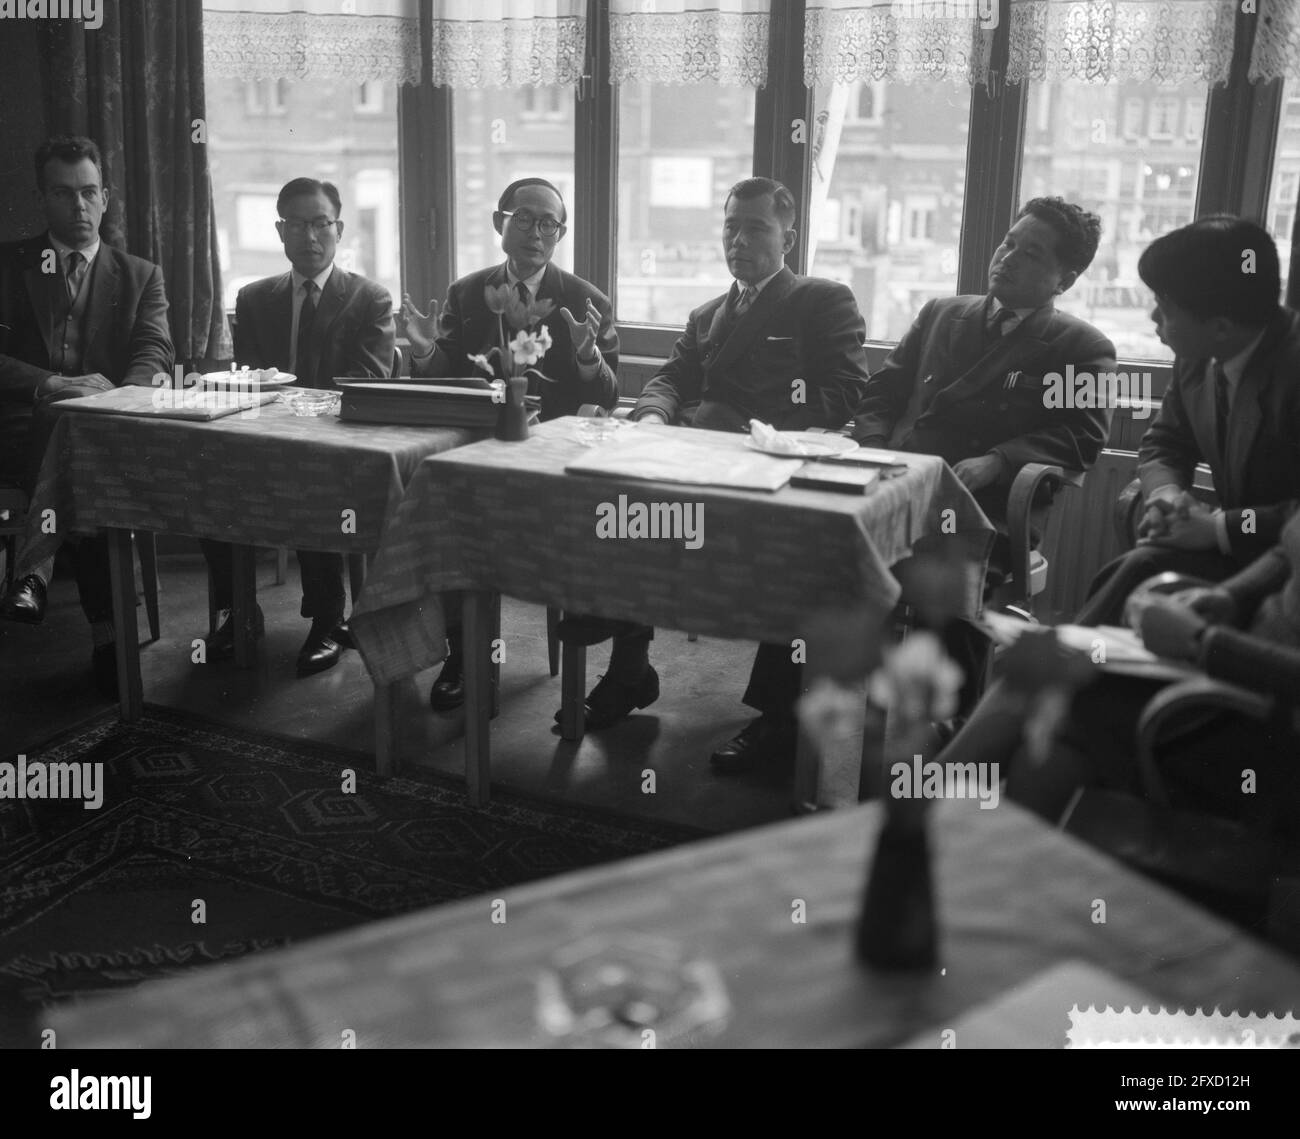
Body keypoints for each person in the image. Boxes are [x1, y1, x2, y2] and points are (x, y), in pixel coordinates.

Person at [569, 176, 871, 775]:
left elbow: (844, 392)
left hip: (773, 468)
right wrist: (652, 416)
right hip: (699, 468)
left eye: (756, 228)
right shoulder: (707, 314)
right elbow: (670, 379)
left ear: (788, 238)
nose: (739, 240)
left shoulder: (821, 301)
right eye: (731, 227)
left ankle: (781, 718)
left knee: (796, 553)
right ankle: (629, 667)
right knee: (626, 512)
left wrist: (748, 428)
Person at [852, 197, 1116, 714]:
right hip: (896, 487)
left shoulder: (1081, 346)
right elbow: (880, 393)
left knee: (944, 588)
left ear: (1065, 279)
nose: (1008, 259)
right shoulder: (941, 313)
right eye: (1008, 243)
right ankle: (779, 725)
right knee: (817, 555)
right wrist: (876, 448)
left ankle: (944, 735)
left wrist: (1001, 459)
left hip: (985, 508)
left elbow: (1083, 437)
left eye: (1031, 254)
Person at [939, 512, 1300, 842]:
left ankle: (922, 809)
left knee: (1039, 686)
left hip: (1267, 720)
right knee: (1048, 762)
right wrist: (1229, 596)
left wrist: (1203, 643)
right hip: (1234, 676)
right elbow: (1287, 548)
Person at [398, 177, 618, 711]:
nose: (535, 233)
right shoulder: (467, 292)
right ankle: (463, 656)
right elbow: (446, 377)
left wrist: (588, 357)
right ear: (500, 222)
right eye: (523, 219)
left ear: (560, 234)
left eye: (549, 224)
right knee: (448, 513)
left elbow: (608, 398)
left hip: (552, 458)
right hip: (478, 449)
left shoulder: (586, 300)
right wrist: (424, 352)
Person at [199, 177, 396, 677]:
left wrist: (299, 408)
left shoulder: (369, 298)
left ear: (339, 229)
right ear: (280, 231)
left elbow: (367, 382)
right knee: (209, 478)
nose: (310, 236)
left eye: (320, 224)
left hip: (334, 443)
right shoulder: (254, 297)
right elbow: (249, 379)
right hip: (266, 439)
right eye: (297, 225)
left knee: (312, 477)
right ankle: (239, 612)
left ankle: (328, 619)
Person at [0, 135, 173, 698]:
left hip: (104, 427)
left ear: (106, 198)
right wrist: (51, 384)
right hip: (19, 431)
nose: (78, 205)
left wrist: (109, 402)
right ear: (42, 198)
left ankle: (33, 571)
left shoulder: (140, 274)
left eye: (88, 192)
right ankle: (109, 640)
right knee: (76, 444)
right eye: (63, 193)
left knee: (81, 439)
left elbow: (154, 351)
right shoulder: (8, 265)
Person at [1074, 216, 1300, 626]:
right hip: (1232, 553)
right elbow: (1165, 442)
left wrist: (1219, 528)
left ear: (1221, 328)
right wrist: (1167, 496)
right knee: (1134, 574)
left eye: (1165, 308)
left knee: (1139, 576)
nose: (1152, 317)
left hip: (1284, 574)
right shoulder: (1200, 352)